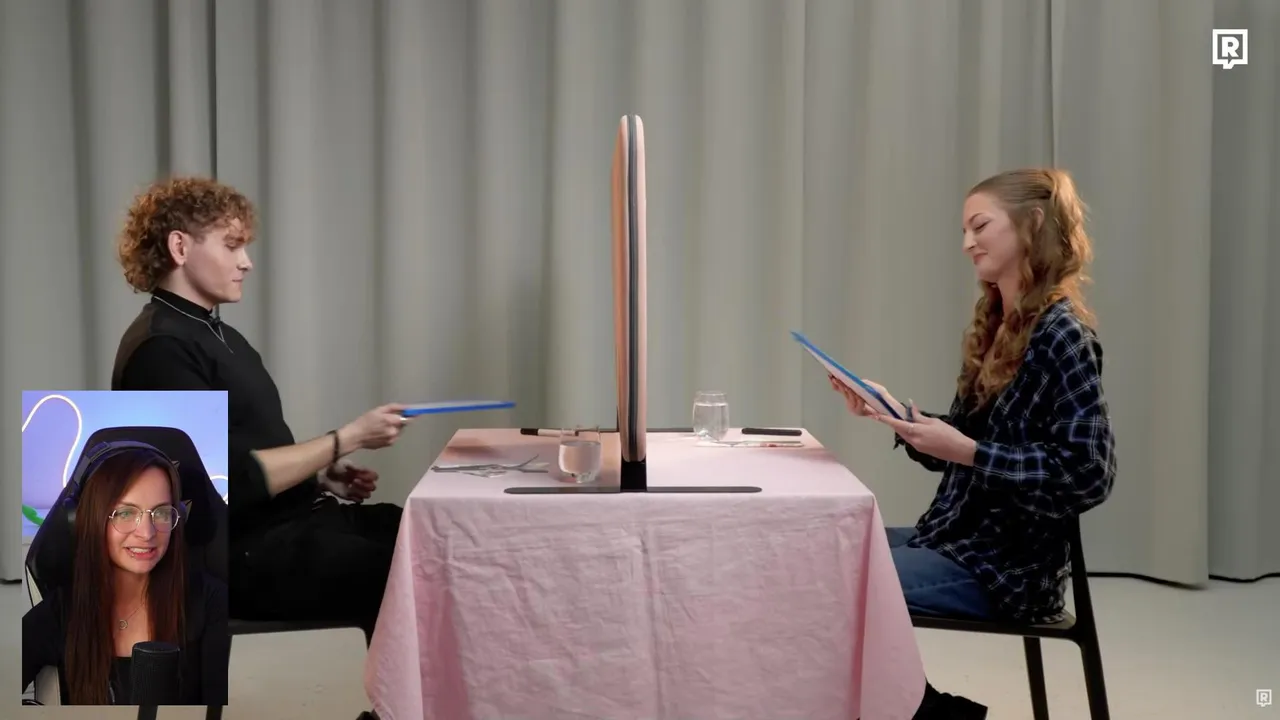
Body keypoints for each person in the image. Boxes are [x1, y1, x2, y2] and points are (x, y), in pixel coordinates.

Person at [830, 168, 1116, 720]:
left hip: (1004, 569)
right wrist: (895, 416)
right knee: (825, 550)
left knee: (837, 580)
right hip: (952, 537)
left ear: (1032, 224)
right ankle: (926, 709)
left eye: (980, 226)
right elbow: (965, 441)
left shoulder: (1063, 336)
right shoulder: (996, 326)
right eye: (965, 230)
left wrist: (968, 452)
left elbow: (1088, 473)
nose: (967, 243)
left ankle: (929, 712)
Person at [109, 176, 412, 644]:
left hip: (292, 524)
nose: (246, 262)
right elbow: (224, 480)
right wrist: (345, 438)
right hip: (235, 555)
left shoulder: (217, 335)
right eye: (232, 246)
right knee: (406, 569)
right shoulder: (160, 349)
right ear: (180, 247)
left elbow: (250, 453)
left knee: (427, 534)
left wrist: (317, 477)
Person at [22, 445, 229, 705]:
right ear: (87, 519)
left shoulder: (211, 604)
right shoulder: (60, 614)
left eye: (161, 513)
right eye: (125, 513)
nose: (147, 533)